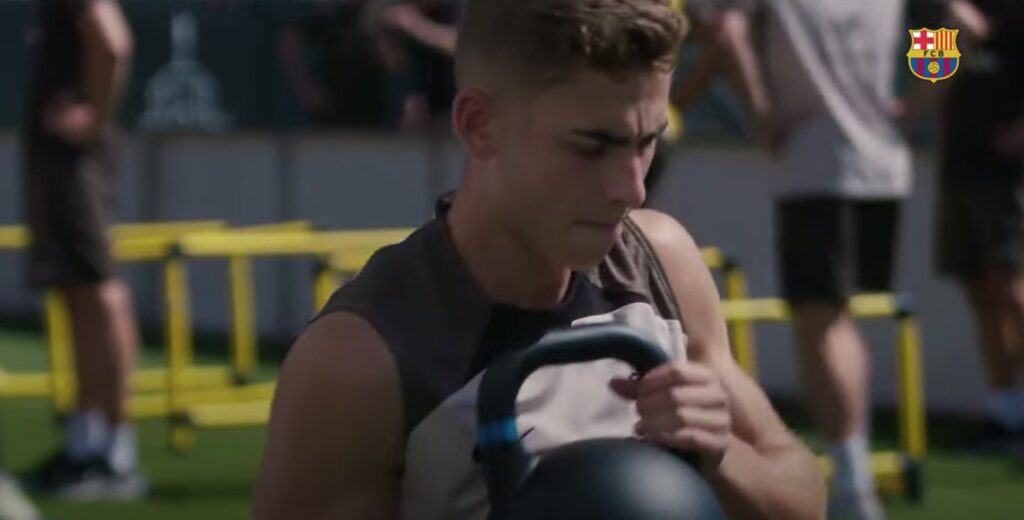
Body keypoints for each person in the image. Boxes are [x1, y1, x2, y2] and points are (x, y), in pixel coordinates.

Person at [253, 1, 825, 519]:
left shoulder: (663, 265)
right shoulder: (362, 360)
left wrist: (719, 454)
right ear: (478, 125)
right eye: (592, 146)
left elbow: (804, 501)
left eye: (647, 142)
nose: (632, 189)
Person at [674, 1, 913, 518]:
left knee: (821, 323)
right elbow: (958, 25)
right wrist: (918, 99)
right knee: (841, 322)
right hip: (883, 164)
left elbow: (727, 30)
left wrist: (761, 112)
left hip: (815, 164)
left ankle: (852, 483)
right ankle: (854, 470)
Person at [19, 0, 147, 500]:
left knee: (99, 292)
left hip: (74, 159)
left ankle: (115, 456)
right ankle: (85, 445)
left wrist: (92, 120)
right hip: (60, 157)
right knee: (77, 293)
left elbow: (113, 43)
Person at [928, 0, 1024, 449]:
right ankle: (1005, 412)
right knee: (979, 290)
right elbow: (930, 78)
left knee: (1012, 289)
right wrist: (954, 36)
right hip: (959, 165)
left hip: (1009, 173)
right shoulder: (941, 12)